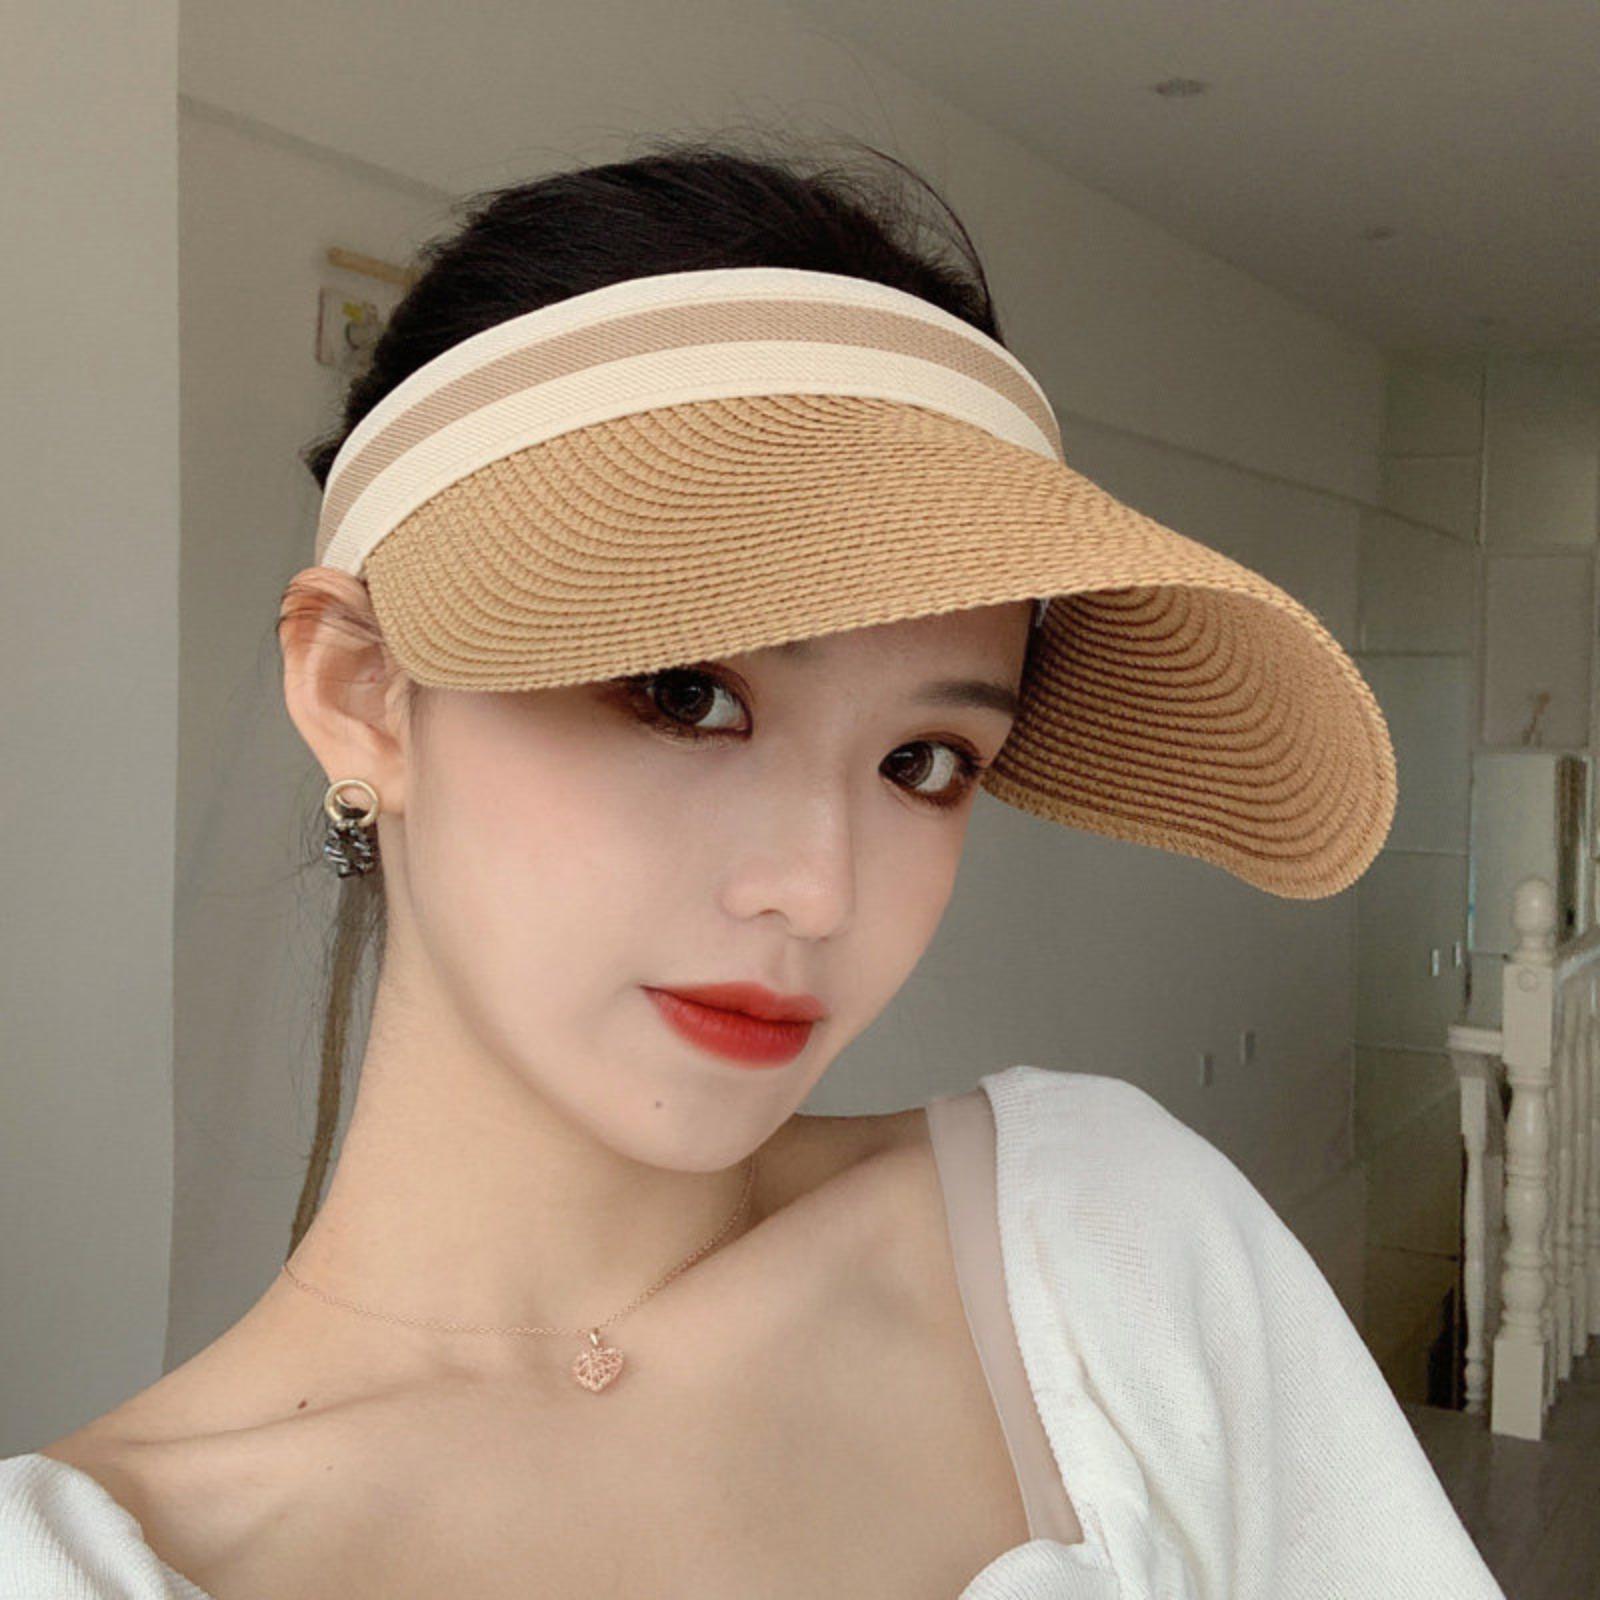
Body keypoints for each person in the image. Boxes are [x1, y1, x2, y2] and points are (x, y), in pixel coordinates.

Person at [0, 133, 1504, 1599]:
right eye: (686, 695)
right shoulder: (84, 1561)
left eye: (926, 762)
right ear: (361, 693)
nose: (818, 891)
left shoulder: (1109, 1256)